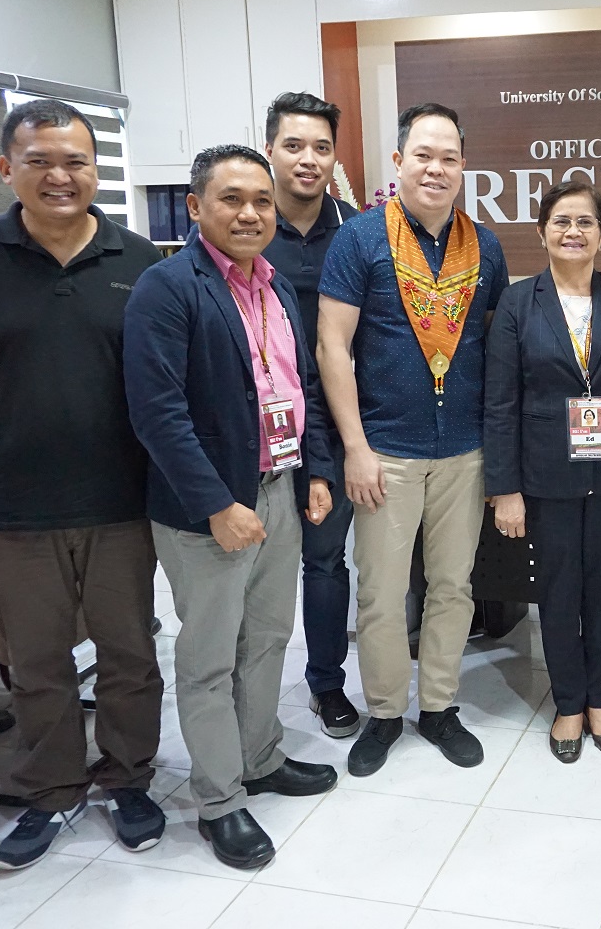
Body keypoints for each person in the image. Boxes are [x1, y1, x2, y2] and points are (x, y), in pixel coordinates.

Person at [0, 99, 166, 871]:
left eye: (76, 161)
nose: (60, 176)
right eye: (40, 161)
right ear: (6, 168)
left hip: (123, 504)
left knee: (129, 655)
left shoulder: (139, 261)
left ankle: (127, 780)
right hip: (12, 512)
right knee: (35, 663)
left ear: (96, 169)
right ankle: (52, 791)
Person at [124, 145, 338, 871]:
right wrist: (215, 502)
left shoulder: (273, 288)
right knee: (210, 657)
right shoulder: (167, 287)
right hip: (207, 510)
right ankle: (219, 799)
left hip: (278, 490)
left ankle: (261, 757)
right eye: (232, 199)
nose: (250, 213)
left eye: (261, 201)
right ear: (195, 207)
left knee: (271, 637)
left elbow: (297, 384)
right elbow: (157, 413)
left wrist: (312, 470)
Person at [318, 103, 508, 777]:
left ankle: (439, 707)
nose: (437, 168)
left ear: (463, 168)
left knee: (454, 588)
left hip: (463, 451)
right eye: (423, 155)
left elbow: (492, 350)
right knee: (381, 592)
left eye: (449, 158)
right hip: (385, 454)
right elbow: (332, 347)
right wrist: (356, 448)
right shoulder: (360, 240)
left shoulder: (485, 247)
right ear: (398, 163)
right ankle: (385, 712)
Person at [484, 180, 601, 762]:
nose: (573, 232)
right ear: (541, 232)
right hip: (545, 477)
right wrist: (505, 489)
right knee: (559, 590)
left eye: (585, 222)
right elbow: (500, 402)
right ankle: (568, 702)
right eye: (561, 221)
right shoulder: (518, 302)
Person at [258, 92, 362, 738]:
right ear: (270, 147)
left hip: (335, 421)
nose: (308, 159)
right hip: (256, 426)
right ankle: (251, 698)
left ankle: (326, 684)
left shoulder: (355, 232)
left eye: (321, 147)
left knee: (325, 561)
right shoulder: (242, 222)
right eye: (294, 145)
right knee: (253, 570)